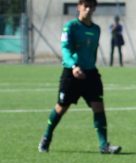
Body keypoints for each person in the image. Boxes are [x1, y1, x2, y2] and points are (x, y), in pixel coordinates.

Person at [37, 0, 121, 154]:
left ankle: (104, 145)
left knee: (98, 107)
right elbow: (66, 49)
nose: (88, 9)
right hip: (72, 73)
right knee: (61, 108)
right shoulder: (70, 27)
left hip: (90, 74)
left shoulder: (96, 29)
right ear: (79, 7)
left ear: (94, 8)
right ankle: (46, 138)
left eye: (91, 6)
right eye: (85, 6)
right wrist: (74, 66)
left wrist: (89, 68)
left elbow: (93, 52)